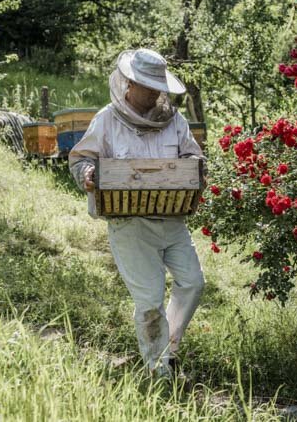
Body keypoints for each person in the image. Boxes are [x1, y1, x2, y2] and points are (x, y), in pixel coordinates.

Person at [69, 48, 206, 378]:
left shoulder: (174, 121)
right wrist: (87, 174)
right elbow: (80, 159)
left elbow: (193, 156)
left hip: (172, 219)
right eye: (148, 86)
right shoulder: (107, 120)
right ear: (129, 83)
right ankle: (159, 370)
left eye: (159, 86)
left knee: (193, 283)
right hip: (129, 224)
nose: (156, 92)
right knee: (149, 300)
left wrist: (194, 170)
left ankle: (167, 348)